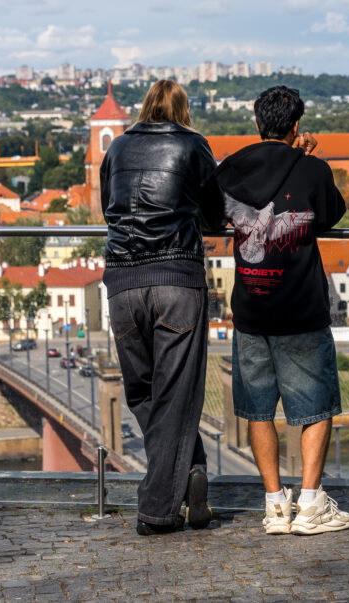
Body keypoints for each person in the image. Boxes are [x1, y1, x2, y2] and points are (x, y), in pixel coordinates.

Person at [213, 85, 349, 535]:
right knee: (315, 407)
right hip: (301, 309)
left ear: (257, 124)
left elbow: (208, 215)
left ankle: (275, 506)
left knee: (258, 411)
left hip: (251, 309)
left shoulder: (232, 168)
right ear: (296, 126)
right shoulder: (312, 169)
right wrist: (307, 158)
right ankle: (310, 505)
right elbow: (331, 214)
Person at [101, 79, 224, 535]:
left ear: (145, 106)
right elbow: (215, 215)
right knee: (176, 395)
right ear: (182, 110)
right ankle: (157, 511)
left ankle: (191, 472)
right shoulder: (193, 145)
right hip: (176, 280)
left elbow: (108, 209)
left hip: (122, 283)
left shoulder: (116, 148)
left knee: (142, 393)